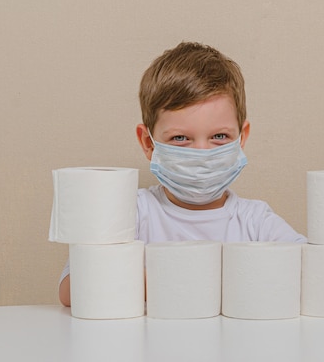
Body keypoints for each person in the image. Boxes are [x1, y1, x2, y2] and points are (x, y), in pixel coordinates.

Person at [59, 42, 306, 306]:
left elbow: (314, 270)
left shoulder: (255, 222)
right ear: (148, 142)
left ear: (241, 138)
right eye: (180, 138)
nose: (201, 153)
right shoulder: (133, 214)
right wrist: (184, 282)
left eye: (219, 136)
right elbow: (70, 289)